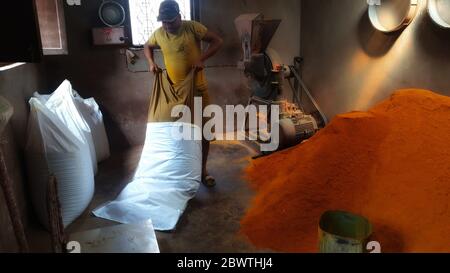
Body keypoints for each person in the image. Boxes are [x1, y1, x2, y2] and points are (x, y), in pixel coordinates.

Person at [144, 0, 223, 187]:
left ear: (179, 16)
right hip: (172, 93)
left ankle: (202, 171)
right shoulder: (159, 34)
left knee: (203, 132)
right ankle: (181, 171)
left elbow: (218, 41)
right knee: (176, 134)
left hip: (197, 89)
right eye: (164, 22)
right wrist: (151, 63)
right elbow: (147, 46)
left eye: (171, 21)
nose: (167, 25)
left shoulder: (192, 28)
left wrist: (201, 58)